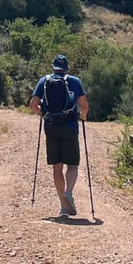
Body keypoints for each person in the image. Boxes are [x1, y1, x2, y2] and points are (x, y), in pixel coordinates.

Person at [29, 54, 88, 217]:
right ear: (66, 68)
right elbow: (84, 105)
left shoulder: (44, 81)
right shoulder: (75, 81)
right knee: (73, 165)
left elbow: (33, 104)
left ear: (53, 67)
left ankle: (63, 205)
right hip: (69, 127)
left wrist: (44, 114)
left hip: (51, 127)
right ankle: (68, 192)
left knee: (57, 166)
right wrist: (83, 117)